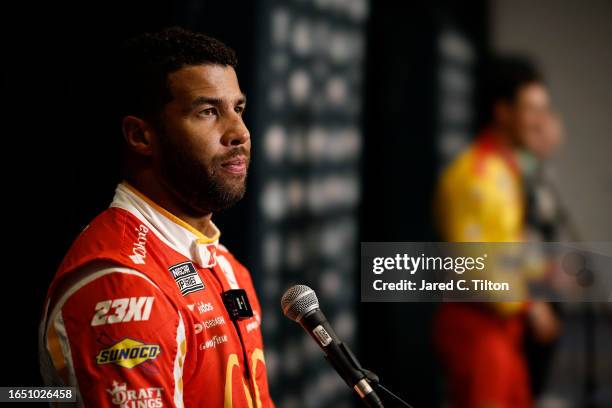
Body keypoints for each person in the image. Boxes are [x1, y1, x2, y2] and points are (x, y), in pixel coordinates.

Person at [38, 27, 275, 407]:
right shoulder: (124, 285)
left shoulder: (227, 267)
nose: (239, 132)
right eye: (208, 112)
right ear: (140, 136)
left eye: (238, 109)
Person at [434, 56, 560, 408]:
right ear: (503, 112)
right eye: (532, 110)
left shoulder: (507, 167)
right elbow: (477, 270)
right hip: (477, 330)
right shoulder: (476, 174)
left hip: (504, 332)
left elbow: (512, 243)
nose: (542, 122)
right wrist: (532, 303)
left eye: (544, 110)